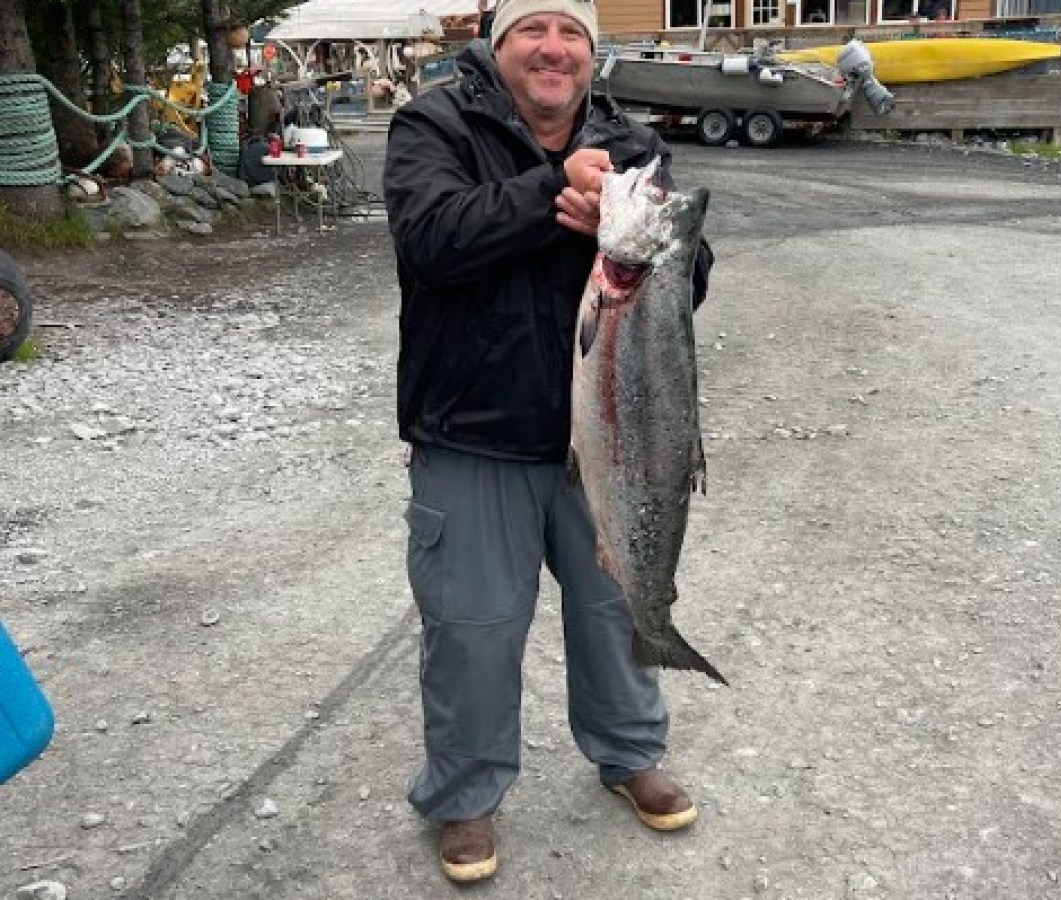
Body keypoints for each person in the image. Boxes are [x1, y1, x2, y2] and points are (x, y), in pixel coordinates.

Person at [382, 0, 715, 884]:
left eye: (572, 33)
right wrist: (549, 191)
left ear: (591, 54)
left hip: (609, 432)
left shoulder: (632, 140)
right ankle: (464, 796)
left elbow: (686, 272)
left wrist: (673, 244)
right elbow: (428, 241)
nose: (554, 48)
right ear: (499, 49)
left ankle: (629, 751)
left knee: (617, 605)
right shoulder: (434, 122)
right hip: (473, 430)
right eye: (534, 30)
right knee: (474, 629)